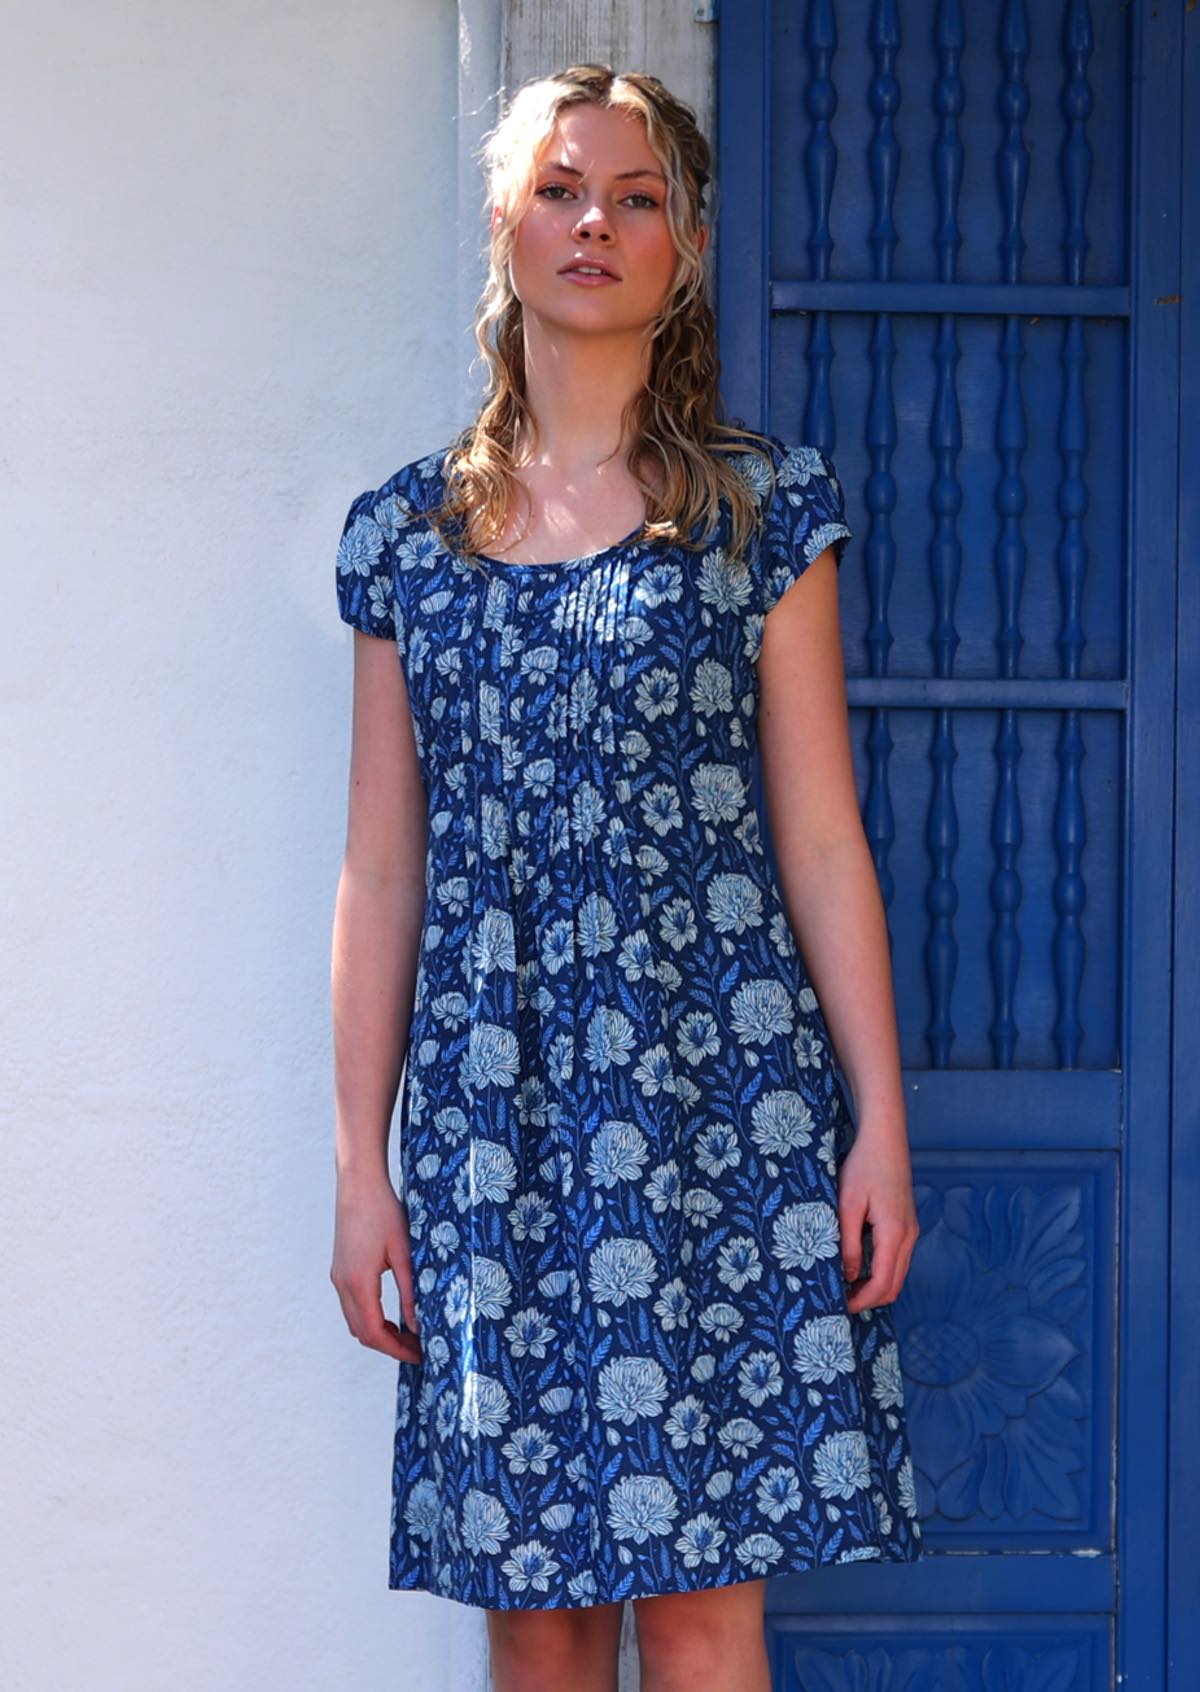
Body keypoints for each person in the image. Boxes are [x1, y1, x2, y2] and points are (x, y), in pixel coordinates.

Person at [330, 62, 923, 1692]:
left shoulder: (759, 514)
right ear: (506, 229)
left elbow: (819, 837)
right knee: (538, 1605)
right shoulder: (407, 542)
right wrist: (361, 1168)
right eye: (562, 188)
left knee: (710, 1601)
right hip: (492, 1112)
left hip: (722, 1097)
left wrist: (880, 1122)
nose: (597, 220)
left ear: (688, 245)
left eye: (638, 194)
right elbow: (383, 871)